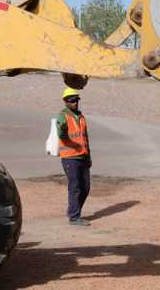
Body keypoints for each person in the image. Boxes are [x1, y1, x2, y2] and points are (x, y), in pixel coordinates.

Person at [56, 87, 91, 226]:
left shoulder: (81, 117)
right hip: (70, 157)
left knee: (86, 187)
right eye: (72, 100)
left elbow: (85, 138)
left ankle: (73, 210)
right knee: (75, 186)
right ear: (65, 102)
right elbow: (61, 134)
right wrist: (62, 128)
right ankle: (74, 217)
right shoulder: (63, 116)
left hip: (83, 156)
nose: (75, 102)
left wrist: (89, 156)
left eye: (76, 100)